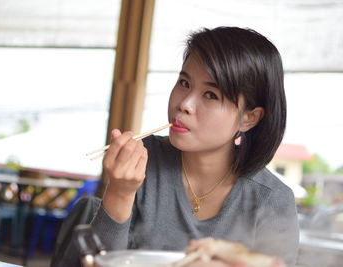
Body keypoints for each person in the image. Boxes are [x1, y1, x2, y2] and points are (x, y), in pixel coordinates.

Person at [90, 26, 299, 266]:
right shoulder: (140, 161)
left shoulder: (271, 200)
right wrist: (120, 192)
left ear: (248, 118)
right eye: (184, 83)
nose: (185, 104)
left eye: (210, 94)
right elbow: (95, 261)